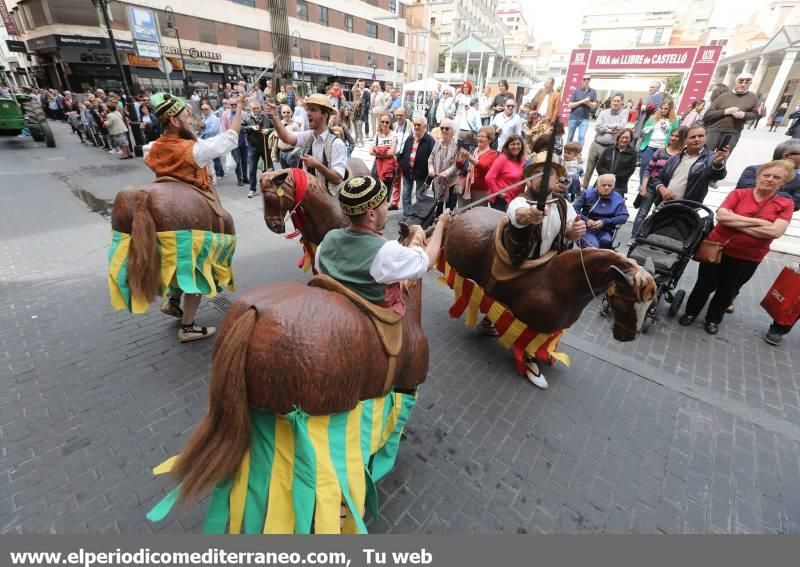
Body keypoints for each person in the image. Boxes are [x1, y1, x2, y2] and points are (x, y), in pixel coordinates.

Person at [144, 93, 245, 342]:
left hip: (164, 214)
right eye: (187, 116)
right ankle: (188, 326)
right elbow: (231, 137)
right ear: (175, 122)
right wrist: (239, 108)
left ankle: (174, 301)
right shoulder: (195, 150)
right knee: (199, 267)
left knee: (179, 261)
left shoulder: (153, 147)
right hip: (192, 214)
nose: (192, 119)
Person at [679, 161, 794, 335]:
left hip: (748, 257)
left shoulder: (785, 204)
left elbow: (776, 231)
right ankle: (691, 312)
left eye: (776, 177)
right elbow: (722, 216)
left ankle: (713, 319)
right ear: (758, 177)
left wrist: (737, 221)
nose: (770, 179)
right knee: (703, 285)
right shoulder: (739, 193)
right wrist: (760, 223)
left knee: (728, 290)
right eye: (766, 175)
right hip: (717, 248)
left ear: (783, 183)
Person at [504, 153, 587, 388]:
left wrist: (576, 231)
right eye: (536, 174)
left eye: (549, 174)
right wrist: (528, 215)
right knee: (534, 308)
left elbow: (570, 230)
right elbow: (517, 214)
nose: (542, 178)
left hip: (550, 266)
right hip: (523, 266)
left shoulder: (562, 203)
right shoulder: (520, 201)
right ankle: (527, 352)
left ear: (557, 180)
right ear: (528, 181)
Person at [315, 176, 450, 314]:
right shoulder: (385, 252)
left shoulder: (326, 241)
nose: (389, 204)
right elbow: (426, 261)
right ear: (371, 215)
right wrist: (441, 223)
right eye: (384, 203)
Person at [268, 93, 348, 195]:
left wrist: (317, 165)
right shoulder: (309, 135)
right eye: (308, 109)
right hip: (309, 196)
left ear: (325, 115)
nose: (308, 113)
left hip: (328, 200)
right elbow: (286, 138)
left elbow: (337, 179)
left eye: (313, 110)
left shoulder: (337, 144)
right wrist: (275, 117)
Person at [631, 126, 688, 240]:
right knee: (642, 213)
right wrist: (643, 187)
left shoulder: (682, 155)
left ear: (682, 138)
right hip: (651, 186)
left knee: (657, 215)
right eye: (672, 135)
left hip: (666, 190)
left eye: (677, 136)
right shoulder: (661, 151)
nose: (673, 138)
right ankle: (634, 237)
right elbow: (648, 169)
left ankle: (648, 237)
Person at [652, 124, 728, 205]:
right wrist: (662, 189)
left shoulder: (711, 158)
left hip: (687, 209)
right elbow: (657, 179)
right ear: (685, 140)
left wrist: (718, 164)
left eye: (700, 136)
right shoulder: (675, 158)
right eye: (693, 137)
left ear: (706, 138)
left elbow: (718, 176)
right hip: (663, 205)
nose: (697, 139)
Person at [702, 72, 758, 158]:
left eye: (747, 82)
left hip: (733, 133)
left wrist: (744, 115)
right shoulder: (723, 96)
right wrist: (725, 111)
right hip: (714, 130)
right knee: (704, 157)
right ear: (735, 82)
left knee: (721, 159)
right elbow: (708, 115)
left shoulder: (753, 97)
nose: (743, 84)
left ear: (750, 84)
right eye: (741, 81)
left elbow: (755, 114)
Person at [735, 139, 800, 212]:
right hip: (737, 213)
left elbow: (796, 205)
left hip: (772, 220)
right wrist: (786, 196)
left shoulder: (798, 179)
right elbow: (745, 192)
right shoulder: (753, 170)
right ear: (787, 156)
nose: (770, 179)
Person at [583, 93, 628, 188]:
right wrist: (610, 129)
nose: (615, 103)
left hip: (609, 147)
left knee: (603, 171)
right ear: (611, 101)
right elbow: (597, 126)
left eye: (618, 101)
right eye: (614, 101)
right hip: (596, 144)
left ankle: (598, 190)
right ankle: (584, 189)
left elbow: (621, 126)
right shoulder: (604, 112)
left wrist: (608, 125)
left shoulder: (624, 113)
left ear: (621, 103)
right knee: (589, 169)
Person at [573, 173, 629, 248]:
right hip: (586, 228)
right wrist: (586, 220)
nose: (606, 188)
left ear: (613, 186)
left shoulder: (618, 198)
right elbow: (574, 209)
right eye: (603, 185)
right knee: (593, 246)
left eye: (609, 185)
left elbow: (624, 216)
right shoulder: (587, 194)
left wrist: (604, 222)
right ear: (597, 185)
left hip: (605, 229)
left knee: (606, 243)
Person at [398, 115, 435, 218]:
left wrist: (429, 175)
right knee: (406, 196)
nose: (416, 127)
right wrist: (402, 165)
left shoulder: (430, 140)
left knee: (420, 196)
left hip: (421, 174)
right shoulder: (410, 138)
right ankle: (407, 216)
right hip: (407, 172)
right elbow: (403, 153)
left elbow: (433, 158)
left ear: (425, 126)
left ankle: (418, 218)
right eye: (415, 125)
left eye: (419, 125)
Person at [638, 99, 680, 183]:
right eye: (662, 108)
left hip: (663, 147)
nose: (663, 110)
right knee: (644, 164)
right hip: (649, 145)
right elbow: (643, 131)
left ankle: (653, 184)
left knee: (658, 168)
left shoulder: (675, 120)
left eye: (666, 109)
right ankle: (642, 184)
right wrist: (646, 130)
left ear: (670, 110)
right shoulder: (653, 118)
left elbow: (675, 133)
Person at [456, 126, 499, 208]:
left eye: (482, 136)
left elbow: (485, 168)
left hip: (480, 190)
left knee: (478, 216)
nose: (479, 138)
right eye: (478, 136)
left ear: (489, 139)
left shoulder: (493, 154)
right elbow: (461, 167)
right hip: (465, 186)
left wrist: (469, 157)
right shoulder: (473, 150)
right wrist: (459, 158)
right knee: (462, 215)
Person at [486, 134, 525, 212]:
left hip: (515, 200)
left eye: (518, 144)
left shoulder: (522, 159)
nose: (516, 146)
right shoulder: (502, 159)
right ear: (507, 146)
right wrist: (498, 192)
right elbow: (489, 177)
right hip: (502, 199)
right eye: (513, 144)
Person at [428, 118, 460, 211]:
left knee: (449, 210)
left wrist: (447, 172)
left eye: (447, 128)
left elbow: (457, 164)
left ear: (453, 131)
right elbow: (431, 158)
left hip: (451, 183)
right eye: (442, 128)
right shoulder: (438, 142)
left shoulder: (457, 145)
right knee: (438, 208)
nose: (444, 130)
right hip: (438, 182)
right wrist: (431, 169)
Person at [242, 101, 272, 197]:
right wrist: (251, 128)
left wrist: (269, 130)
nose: (255, 110)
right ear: (250, 109)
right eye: (253, 108)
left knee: (269, 167)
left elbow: (276, 128)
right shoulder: (247, 117)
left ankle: (272, 186)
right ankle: (252, 189)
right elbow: (241, 129)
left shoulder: (266, 116)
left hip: (265, 145)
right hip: (252, 147)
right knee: (252, 169)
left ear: (260, 108)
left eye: (257, 108)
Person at [595, 128, 637, 196]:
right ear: (618, 137)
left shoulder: (633, 154)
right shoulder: (608, 150)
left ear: (630, 139)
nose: (624, 140)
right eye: (622, 137)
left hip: (619, 185)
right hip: (603, 182)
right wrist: (608, 177)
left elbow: (630, 170)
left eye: (627, 138)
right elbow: (599, 166)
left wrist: (615, 177)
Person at [221, 98, 248, 186]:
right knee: (237, 161)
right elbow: (224, 127)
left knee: (244, 160)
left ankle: (245, 177)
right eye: (231, 105)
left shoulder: (243, 113)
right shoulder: (226, 114)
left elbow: (248, 124)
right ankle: (239, 178)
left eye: (235, 105)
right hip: (233, 141)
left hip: (243, 140)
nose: (233, 106)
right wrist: (226, 139)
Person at [390, 106, 413, 209]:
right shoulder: (394, 125)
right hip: (395, 156)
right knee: (395, 180)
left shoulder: (410, 125)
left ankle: (407, 205)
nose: (398, 117)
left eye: (401, 115)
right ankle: (395, 203)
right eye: (397, 115)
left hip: (405, 156)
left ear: (406, 115)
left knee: (407, 181)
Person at [566, 75, 598, 146]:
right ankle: (566, 154)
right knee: (570, 137)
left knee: (581, 137)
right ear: (582, 80)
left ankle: (578, 154)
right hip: (573, 118)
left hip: (584, 119)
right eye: (584, 79)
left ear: (590, 80)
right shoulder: (576, 91)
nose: (586, 80)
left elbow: (593, 106)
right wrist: (582, 101)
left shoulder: (593, 92)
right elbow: (569, 105)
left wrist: (588, 102)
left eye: (588, 79)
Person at [632, 81, 665, 146]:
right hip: (642, 121)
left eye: (653, 87)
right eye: (650, 87)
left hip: (648, 122)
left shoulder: (659, 97)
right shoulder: (651, 96)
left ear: (658, 88)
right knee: (637, 138)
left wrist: (646, 108)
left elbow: (657, 110)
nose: (650, 88)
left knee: (641, 140)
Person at [200, 102, 225, 179]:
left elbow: (212, 131)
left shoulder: (213, 118)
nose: (204, 110)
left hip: (213, 140)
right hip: (208, 140)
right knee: (214, 158)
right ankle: (220, 172)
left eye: (206, 109)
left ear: (210, 109)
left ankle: (218, 174)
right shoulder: (205, 117)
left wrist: (202, 131)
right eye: (202, 109)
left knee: (215, 158)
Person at [276, 104, 301, 169]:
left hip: (291, 152)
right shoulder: (280, 123)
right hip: (281, 152)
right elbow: (276, 135)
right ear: (281, 113)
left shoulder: (295, 125)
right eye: (284, 112)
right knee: (284, 174)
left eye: (288, 112)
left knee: (293, 174)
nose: (286, 114)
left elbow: (300, 139)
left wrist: (293, 153)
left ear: (291, 113)